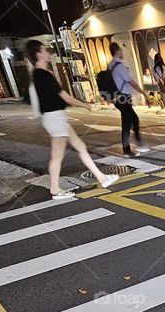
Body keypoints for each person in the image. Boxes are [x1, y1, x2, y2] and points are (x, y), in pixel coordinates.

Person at [25, 40, 117, 200]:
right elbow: (65, 96)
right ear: (39, 54)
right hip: (55, 118)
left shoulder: (38, 75)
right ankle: (55, 189)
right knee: (57, 156)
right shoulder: (44, 75)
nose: (48, 53)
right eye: (45, 50)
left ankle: (102, 178)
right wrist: (86, 106)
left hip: (55, 117)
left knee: (80, 146)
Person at [107, 43, 149, 157]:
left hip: (116, 97)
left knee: (134, 119)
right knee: (126, 123)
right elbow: (131, 82)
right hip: (123, 97)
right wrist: (143, 93)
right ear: (117, 52)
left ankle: (139, 143)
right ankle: (126, 150)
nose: (122, 52)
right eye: (121, 50)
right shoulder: (119, 66)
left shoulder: (110, 65)